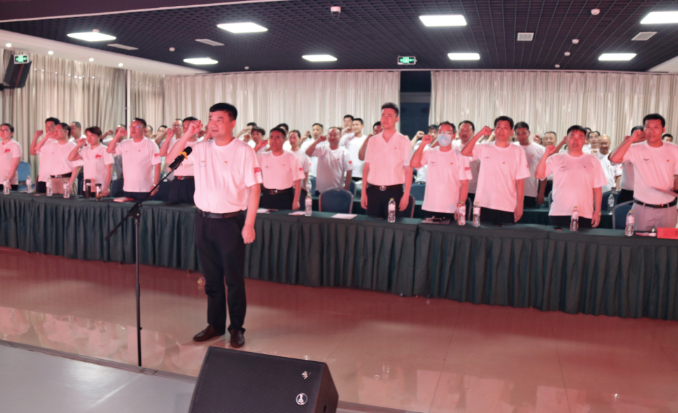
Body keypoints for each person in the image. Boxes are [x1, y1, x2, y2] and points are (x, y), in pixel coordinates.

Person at [167, 103, 262, 347]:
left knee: (234, 280)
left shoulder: (244, 151)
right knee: (211, 279)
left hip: (231, 222)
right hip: (203, 220)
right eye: (211, 118)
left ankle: (236, 327)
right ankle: (215, 324)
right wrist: (188, 134)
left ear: (232, 123)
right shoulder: (199, 148)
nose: (213, 123)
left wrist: (249, 224)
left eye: (219, 119)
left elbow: (254, 189)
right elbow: (170, 161)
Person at [609, 114, 678, 231]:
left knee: (667, 241)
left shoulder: (673, 149)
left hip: (668, 208)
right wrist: (631, 139)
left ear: (663, 130)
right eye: (648, 127)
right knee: (639, 241)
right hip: (642, 207)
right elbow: (614, 159)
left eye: (656, 127)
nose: (651, 131)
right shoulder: (635, 149)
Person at [461, 116, 530, 225]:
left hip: (508, 205)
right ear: (494, 130)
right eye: (498, 127)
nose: (501, 130)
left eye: (505, 128)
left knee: (505, 234)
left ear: (511, 131)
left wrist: (520, 205)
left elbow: (520, 180)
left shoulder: (518, 151)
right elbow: (464, 152)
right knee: (481, 234)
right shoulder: (484, 147)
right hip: (483, 203)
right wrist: (480, 134)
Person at [535, 125, 606, 228]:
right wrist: (546, 154)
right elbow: (539, 175)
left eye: (580, 137)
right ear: (566, 139)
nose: (575, 141)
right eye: (572, 137)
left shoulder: (593, 160)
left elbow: (597, 188)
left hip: (585, 213)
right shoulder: (556, 158)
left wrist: (597, 212)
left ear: (585, 140)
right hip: (559, 212)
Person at [360, 103, 413, 218]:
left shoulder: (403, 141)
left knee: (392, 225)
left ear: (397, 119)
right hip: (373, 191)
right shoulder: (373, 140)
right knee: (372, 225)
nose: (385, 119)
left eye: (389, 116)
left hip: (394, 192)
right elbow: (366, 167)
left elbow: (408, 170)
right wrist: (363, 193)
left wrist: (406, 195)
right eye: (383, 115)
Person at [410, 122, 470, 220]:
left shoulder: (460, 155)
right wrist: (422, 145)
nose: (443, 135)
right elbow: (414, 164)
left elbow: (464, 183)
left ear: (454, 135)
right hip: (431, 206)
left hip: (451, 208)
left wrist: (461, 205)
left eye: (447, 132)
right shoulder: (430, 152)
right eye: (441, 132)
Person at [106, 118, 161, 201]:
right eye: (131, 127)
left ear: (144, 130)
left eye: (137, 126)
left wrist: (155, 184)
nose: (133, 129)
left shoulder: (150, 144)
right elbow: (109, 150)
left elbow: (157, 164)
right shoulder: (125, 143)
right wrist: (118, 136)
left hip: (145, 188)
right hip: (128, 188)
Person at [257, 127, 303, 210]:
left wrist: (296, 200)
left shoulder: (292, 157)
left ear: (284, 140)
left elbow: (298, 180)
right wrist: (257, 147)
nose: (274, 140)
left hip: (285, 196)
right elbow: (247, 161)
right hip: (267, 195)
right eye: (271, 137)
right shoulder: (262, 156)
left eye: (277, 138)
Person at [160, 116, 201, 204]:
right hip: (177, 181)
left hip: (193, 181)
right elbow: (162, 153)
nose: (186, 129)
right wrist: (168, 138)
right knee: (174, 207)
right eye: (184, 126)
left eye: (188, 126)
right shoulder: (177, 142)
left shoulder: (201, 143)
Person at [34, 123, 81, 194]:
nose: (55, 133)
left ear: (66, 131)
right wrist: (46, 137)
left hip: (67, 179)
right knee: (53, 200)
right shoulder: (52, 145)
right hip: (53, 179)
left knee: (68, 200)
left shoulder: (73, 146)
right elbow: (37, 148)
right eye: (54, 131)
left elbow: (77, 166)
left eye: (58, 130)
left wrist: (70, 183)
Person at [305, 126, 353, 195]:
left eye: (335, 135)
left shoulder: (344, 152)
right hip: (320, 190)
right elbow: (308, 153)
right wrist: (318, 140)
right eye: (330, 135)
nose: (332, 137)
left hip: (337, 190)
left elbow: (349, 171)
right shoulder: (321, 149)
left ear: (340, 136)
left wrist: (346, 187)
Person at [67, 127, 113, 196]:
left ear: (99, 136)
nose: (89, 138)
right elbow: (70, 158)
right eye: (87, 135)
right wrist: (78, 146)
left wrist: (106, 187)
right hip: (87, 187)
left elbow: (109, 170)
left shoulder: (105, 150)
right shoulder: (85, 149)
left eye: (92, 135)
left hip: (100, 187)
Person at [514, 122, 546, 207]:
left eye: (524, 133)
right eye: (518, 134)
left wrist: (541, 193)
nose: (521, 136)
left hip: (530, 191)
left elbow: (543, 173)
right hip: (512, 191)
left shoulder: (540, 149)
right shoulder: (511, 147)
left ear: (529, 133)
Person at [616, 125, 645, 204]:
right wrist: (624, 142)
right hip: (626, 193)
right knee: (621, 211)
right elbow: (612, 161)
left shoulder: (651, 152)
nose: (640, 139)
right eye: (637, 137)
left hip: (645, 194)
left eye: (643, 137)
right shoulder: (626, 150)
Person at [30, 117, 60, 194]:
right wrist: (36, 137)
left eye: (51, 126)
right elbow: (33, 152)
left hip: (55, 178)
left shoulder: (59, 141)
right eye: (47, 126)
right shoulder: (44, 141)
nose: (48, 128)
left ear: (57, 127)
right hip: (42, 177)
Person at [288, 130, 311, 196]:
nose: (292, 140)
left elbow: (306, 172)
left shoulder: (304, 154)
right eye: (290, 138)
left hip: (299, 187)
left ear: (300, 139)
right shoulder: (286, 153)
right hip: (286, 187)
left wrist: (304, 186)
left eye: (294, 138)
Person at [0, 123, 21, 191]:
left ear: (12, 133)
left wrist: (8, 180)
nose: (2, 132)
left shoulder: (15, 145)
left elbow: (15, 164)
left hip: (9, 182)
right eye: (1, 130)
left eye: (5, 130)